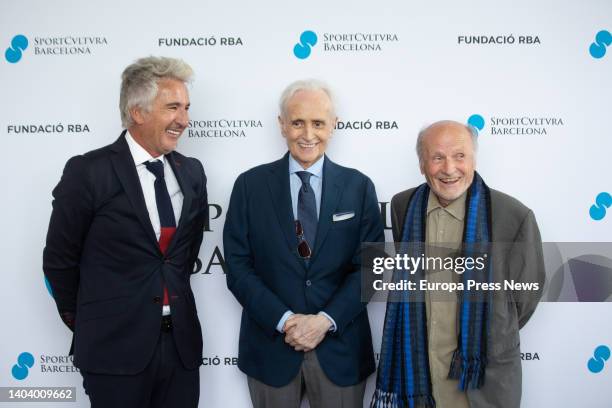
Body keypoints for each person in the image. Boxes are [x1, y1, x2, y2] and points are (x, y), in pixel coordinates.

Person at [43, 56, 207, 408]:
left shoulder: (192, 172)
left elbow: (185, 254)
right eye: (173, 107)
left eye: (187, 108)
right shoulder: (88, 171)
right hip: (113, 350)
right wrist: (93, 322)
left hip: (181, 347)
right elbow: (59, 262)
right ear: (138, 112)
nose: (184, 120)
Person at [223, 79, 384, 408]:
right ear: (281, 125)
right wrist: (285, 321)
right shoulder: (249, 186)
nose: (308, 134)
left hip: (341, 352)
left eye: (318, 123)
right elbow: (238, 268)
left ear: (334, 126)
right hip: (271, 350)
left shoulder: (359, 187)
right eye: (297, 122)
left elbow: (370, 268)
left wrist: (324, 320)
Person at [372, 120, 545, 408]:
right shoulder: (403, 207)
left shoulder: (513, 215)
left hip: (482, 380)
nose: (449, 168)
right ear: (422, 164)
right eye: (437, 157)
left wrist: (484, 332)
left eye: (460, 156)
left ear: (474, 159)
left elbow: (524, 298)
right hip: (419, 372)